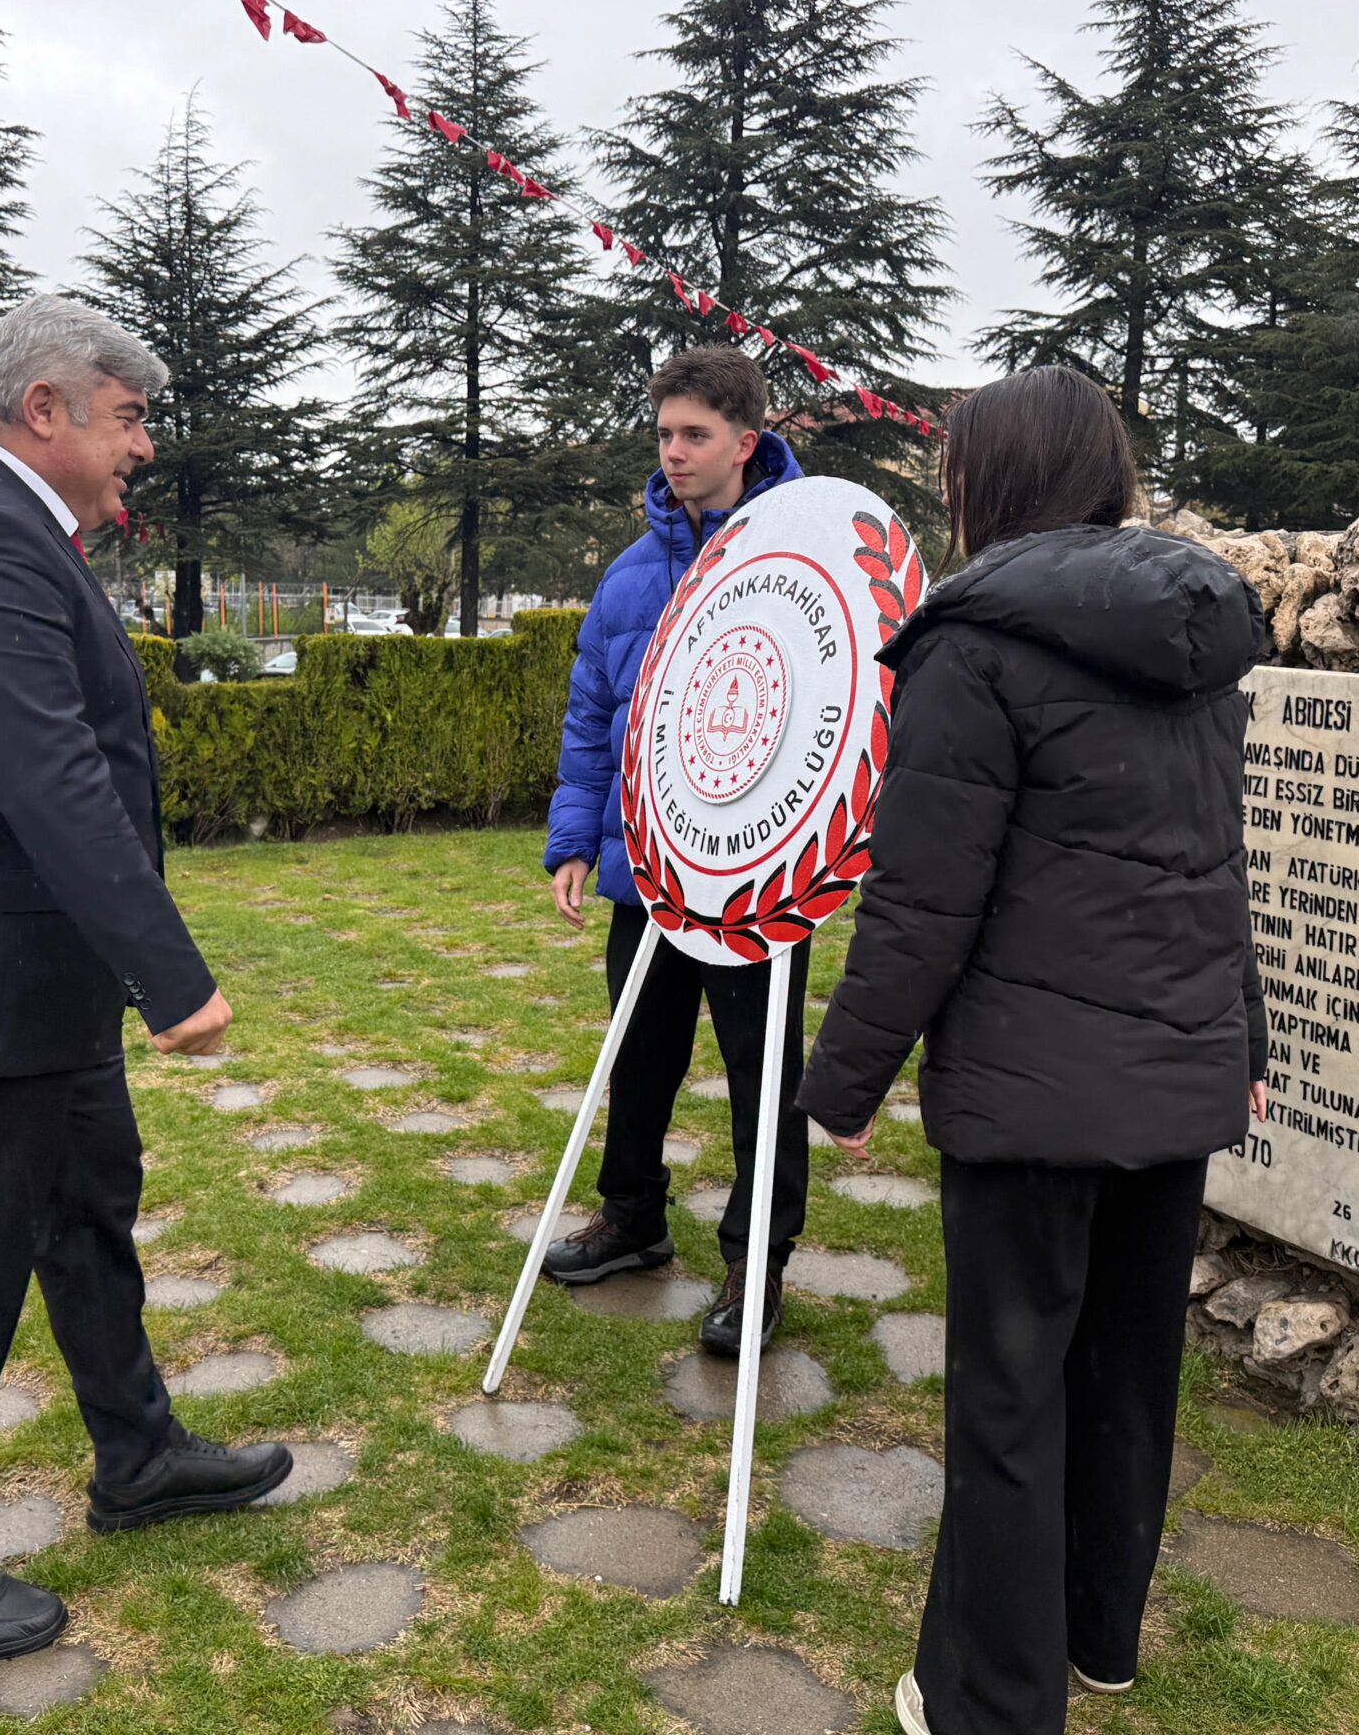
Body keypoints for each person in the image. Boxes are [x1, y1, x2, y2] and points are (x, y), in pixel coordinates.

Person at [791, 366, 1268, 1735]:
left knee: (1009, 1400)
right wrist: (1245, 1040)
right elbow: (1215, 867)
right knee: (1126, 1374)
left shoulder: (972, 644)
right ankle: (1094, 1634)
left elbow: (922, 896)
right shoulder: (1200, 633)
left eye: (954, 466)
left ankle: (989, 1698)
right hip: (1173, 1073)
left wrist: (843, 1082)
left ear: (988, 478)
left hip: (1030, 1090)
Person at [0, 295, 291, 1663]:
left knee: (88, 1216)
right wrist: (172, 978)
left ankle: (137, 1455)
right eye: (129, 417)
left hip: (30, 981)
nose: (142, 445)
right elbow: (52, 778)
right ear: (44, 409)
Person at [540, 344, 813, 1357]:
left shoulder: (801, 556)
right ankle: (632, 1218)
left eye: (696, 434)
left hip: (759, 876)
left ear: (747, 442)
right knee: (640, 1053)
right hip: (646, 871)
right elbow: (593, 718)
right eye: (664, 434)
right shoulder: (629, 576)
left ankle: (757, 1262)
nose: (675, 452)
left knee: (761, 1076)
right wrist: (575, 839)